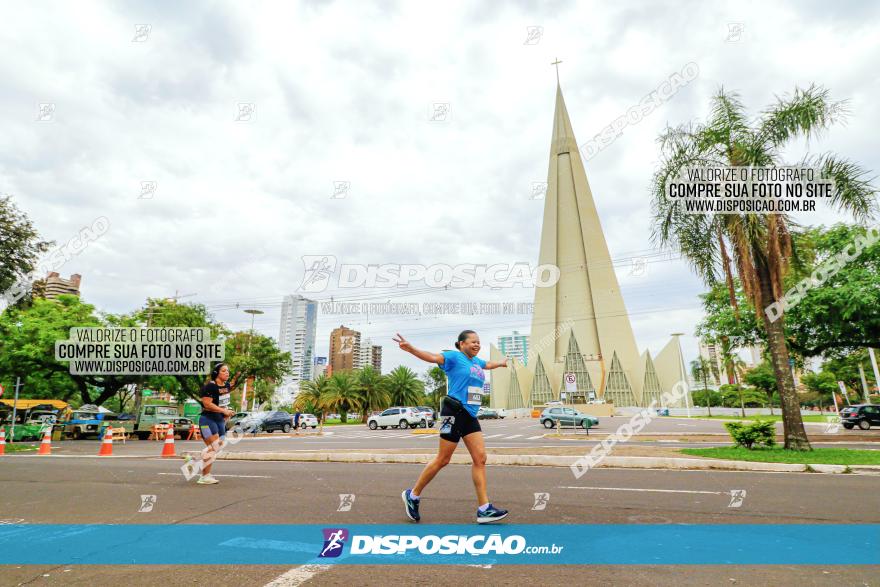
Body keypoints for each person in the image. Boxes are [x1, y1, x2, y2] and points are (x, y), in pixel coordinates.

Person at [394, 330, 510, 524]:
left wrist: (500, 363)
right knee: (443, 459)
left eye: (479, 342)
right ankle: (412, 495)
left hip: (470, 415)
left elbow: (487, 364)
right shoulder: (454, 357)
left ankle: (484, 509)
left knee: (480, 458)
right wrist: (411, 348)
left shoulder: (476, 362)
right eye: (473, 342)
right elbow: (432, 357)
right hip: (453, 411)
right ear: (461, 344)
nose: (477, 345)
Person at [191, 363, 236, 485]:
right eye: (224, 371)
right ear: (216, 373)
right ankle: (204, 476)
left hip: (219, 419)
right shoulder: (210, 386)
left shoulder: (226, 386)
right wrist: (224, 411)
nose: (227, 373)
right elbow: (207, 404)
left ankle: (199, 466)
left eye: (228, 371)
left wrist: (227, 412)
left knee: (216, 447)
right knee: (213, 446)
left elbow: (222, 402)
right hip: (207, 421)